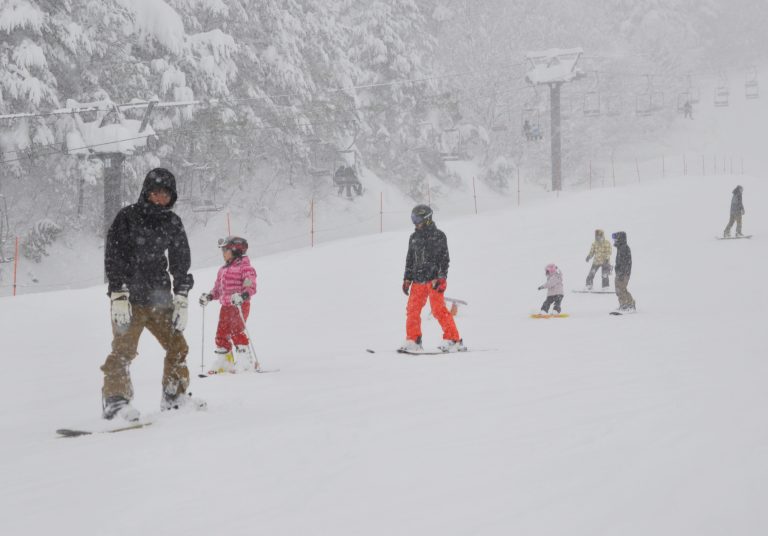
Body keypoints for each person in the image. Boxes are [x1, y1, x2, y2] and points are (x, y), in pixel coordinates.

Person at [101, 168, 203, 422]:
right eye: (156, 193)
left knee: (177, 346)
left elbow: (181, 259)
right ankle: (115, 402)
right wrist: (118, 293)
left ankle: (174, 396)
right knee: (123, 350)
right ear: (147, 192)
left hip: (159, 298)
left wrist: (181, 296)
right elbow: (114, 257)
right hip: (129, 299)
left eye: (165, 195)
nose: (160, 199)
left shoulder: (172, 222)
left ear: (172, 197)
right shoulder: (127, 218)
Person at [400, 205, 465, 352]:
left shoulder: (439, 236)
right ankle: (413, 340)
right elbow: (410, 260)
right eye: (413, 219)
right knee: (412, 310)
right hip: (417, 280)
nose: (415, 223)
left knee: (438, 310)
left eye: (417, 219)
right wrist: (407, 279)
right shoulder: (413, 238)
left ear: (427, 219)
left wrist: (441, 278)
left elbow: (444, 260)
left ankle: (453, 340)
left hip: (434, 280)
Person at [199, 236, 257, 373]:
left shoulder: (245, 267)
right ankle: (225, 360)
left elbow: (251, 285)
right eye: (222, 250)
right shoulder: (222, 270)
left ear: (236, 250)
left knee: (237, 331)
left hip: (240, 305)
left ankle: (245, 361)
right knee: (221, 333)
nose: (223, 253)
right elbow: (218, 289)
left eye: (226, 250)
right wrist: (209, 296)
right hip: (225, 306)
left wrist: (243, 296)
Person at [612, 231, 636, 313]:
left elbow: (625, 262)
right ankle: (629, 304)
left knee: (620, 289)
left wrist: (621, 273)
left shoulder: (624, 248)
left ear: (620, 239)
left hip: (623, 273)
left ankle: (626, 305)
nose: (614, 241)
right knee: (622, 289)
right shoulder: (621, 247)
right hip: (622, 272)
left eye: (616, 239)